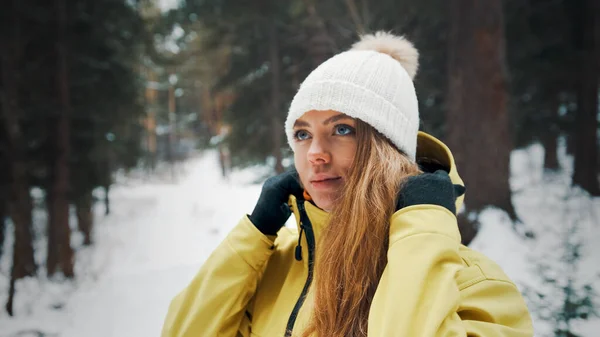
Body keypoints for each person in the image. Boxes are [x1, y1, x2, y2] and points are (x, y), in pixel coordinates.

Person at [161, 32, 534, 337]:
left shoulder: (474, 284)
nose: (315, 155)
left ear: (389, 148)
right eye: (302, 134)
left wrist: (421, 231)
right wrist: (253, 234)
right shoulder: (273, 267)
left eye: (342, 130)